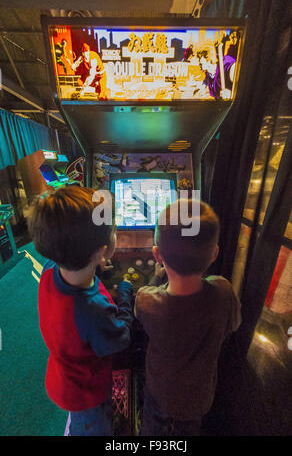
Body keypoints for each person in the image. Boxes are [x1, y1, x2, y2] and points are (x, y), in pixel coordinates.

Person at [27, 186, 133, 436]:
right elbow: (121, 338)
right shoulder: (92, 308)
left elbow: (70, 255)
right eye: (114, 230)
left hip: (62, 375)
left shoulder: (49, 271)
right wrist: (126, 295)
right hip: (86, 393)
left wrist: (95, 265)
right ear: (103, 249)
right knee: (94, 427)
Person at [134, 199, 241, 436]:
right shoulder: (224, 292)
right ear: (214, 253)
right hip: (199, 397)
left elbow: (142, 308)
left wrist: (155, 279)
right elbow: (233, 324)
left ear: (157, 255)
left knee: (153, 429)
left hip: (159, 392)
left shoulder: (146, 300)